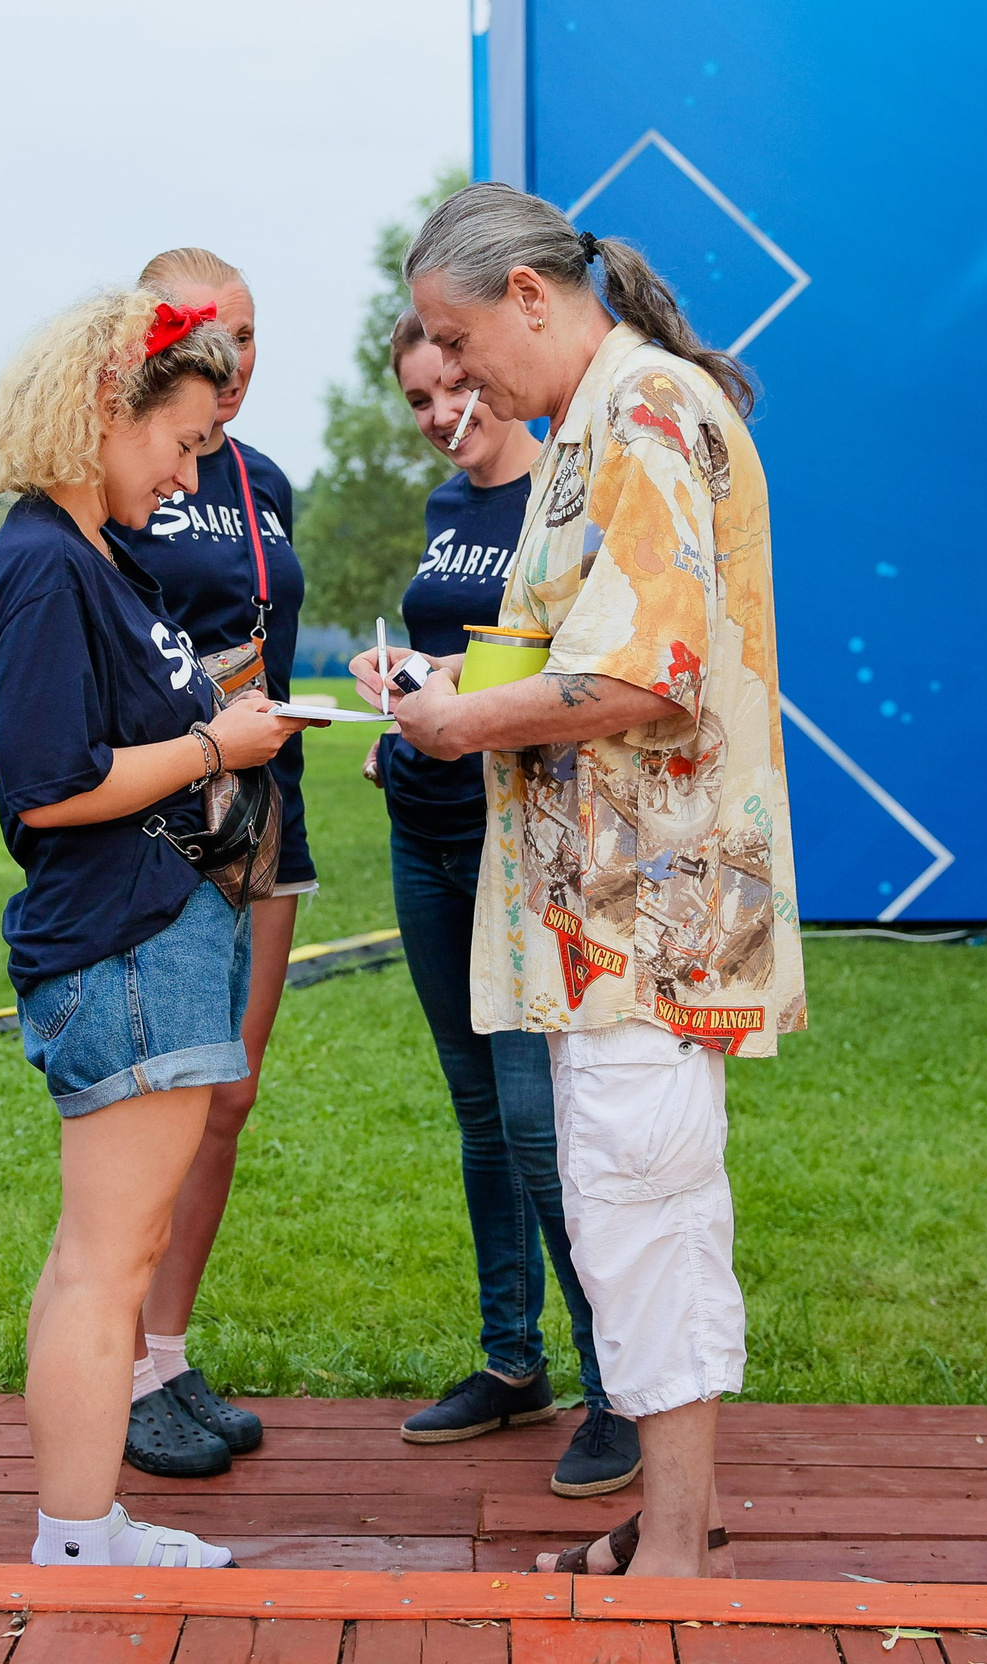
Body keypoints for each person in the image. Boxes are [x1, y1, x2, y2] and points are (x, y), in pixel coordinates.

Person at [363, 183, 807, 1579]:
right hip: (605, 911)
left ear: (528, 297)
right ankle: (678, 1515)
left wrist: (457, 726)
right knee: (637, 1208)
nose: (453, 377)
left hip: (648, 910)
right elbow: (583, 644)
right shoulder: (592, 422)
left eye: (455, 338)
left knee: (640, 1207)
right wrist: (451, 681)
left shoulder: (644, 411)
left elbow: (644, 672)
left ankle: (674, 1545)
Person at [0, 286, 308, 1567]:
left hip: (149, 935)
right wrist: (218, 746)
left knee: (103, 1254)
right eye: (178, 443)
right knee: (108, 1264)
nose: (186, 476)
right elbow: (50, 786)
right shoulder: (46, 565)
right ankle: (74, 1536)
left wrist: (219, 725)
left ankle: (85, 1523)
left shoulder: (92, 553)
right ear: (104, 410)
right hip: (122, 942)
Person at [374, 311, 641, 1499]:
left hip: (517, 845)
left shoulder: (567, 491)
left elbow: (575, 672)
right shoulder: (447, 509)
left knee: (542, 1128)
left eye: (457, 386)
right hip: (422, 832)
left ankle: (619, 1387)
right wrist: (400, 692)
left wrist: (456, 696)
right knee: (480, 1117)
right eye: (421, 398)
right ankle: (511, 1362)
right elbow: (469, 660)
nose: (445, 414)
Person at [103, 247, 311, 1475]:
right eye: (210, 338)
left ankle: (168, 1356)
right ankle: (118, 1366)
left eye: (249, 337)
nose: (232, 364)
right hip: (160, 812)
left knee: (228, 1095)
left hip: (266, 811)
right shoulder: (112, 471)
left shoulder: (263, 478)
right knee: (158, 1100)